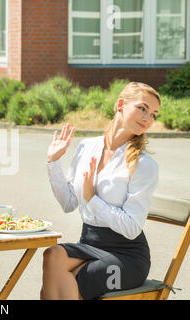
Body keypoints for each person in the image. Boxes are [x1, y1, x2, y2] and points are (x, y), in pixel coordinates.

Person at [41, 82, 161, 300]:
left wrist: (92, 198)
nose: (147, 118)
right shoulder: (87, 147)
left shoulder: (144, 165)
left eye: (153, 114)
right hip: (89, 244)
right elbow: (68, 202)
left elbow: (132, 228)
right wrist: (53, 162)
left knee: (67, 279)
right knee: (52, 256)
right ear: (120, 105)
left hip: (127, 256)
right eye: (142, 108)